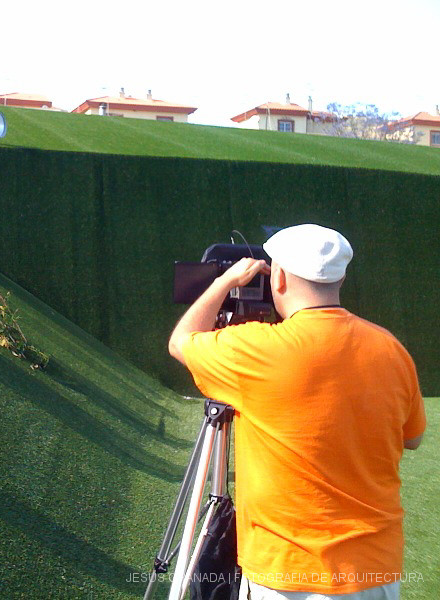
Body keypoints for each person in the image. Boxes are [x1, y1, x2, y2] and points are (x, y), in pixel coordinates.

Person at [168, 224, 426, 600]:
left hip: (288, 573)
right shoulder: (391, 349)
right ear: (340, 278)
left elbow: (181, 342)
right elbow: (413, 438)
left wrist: (224, 283)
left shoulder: (256, 350)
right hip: (376, 570)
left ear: (280, 278)